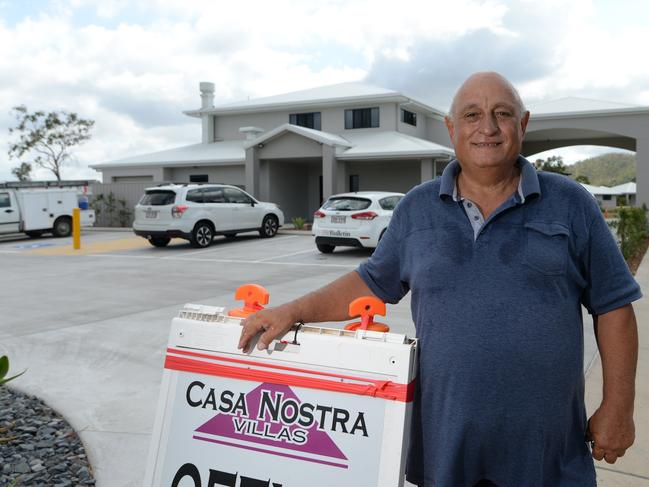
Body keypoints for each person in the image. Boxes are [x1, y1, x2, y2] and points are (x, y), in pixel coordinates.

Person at [238, 72, 640, 486]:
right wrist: (293, 310)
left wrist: (619, 406)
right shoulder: (417, 209)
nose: (488, 127)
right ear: (451, 128)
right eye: (472, 115)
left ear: (523, 124)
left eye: (502, 114)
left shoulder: (571, 203)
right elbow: (371, 283)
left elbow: (613, 306)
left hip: (546, 452)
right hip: (446, 449)